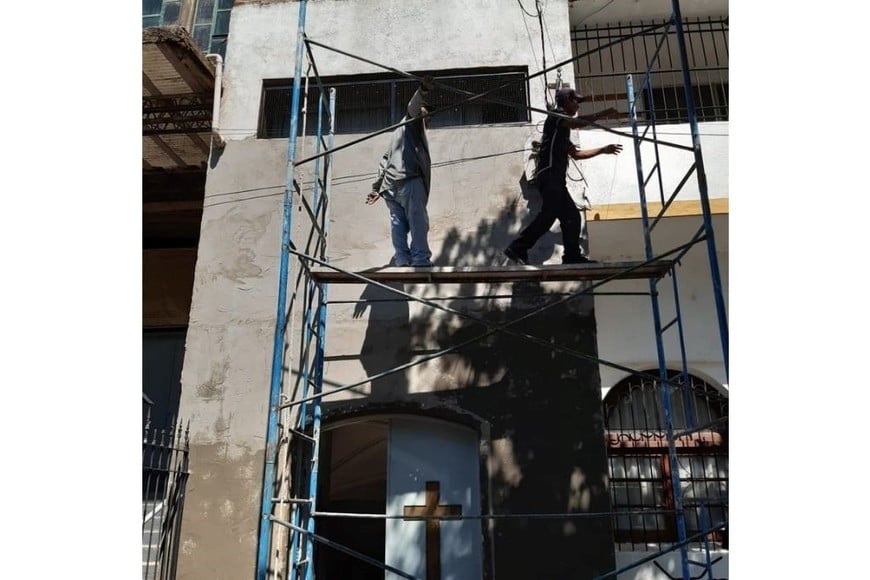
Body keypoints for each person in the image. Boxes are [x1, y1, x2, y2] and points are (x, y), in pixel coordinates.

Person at [504, 87, 623, 265]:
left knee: (572, 217)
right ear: (566, 101)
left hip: (557, 180)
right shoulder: (556, 116)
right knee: (549, 214)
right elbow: (576, 123)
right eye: (576, 101)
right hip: (550, 175)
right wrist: (603, 113)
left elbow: (576, 154)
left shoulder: (561, 129)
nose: (577, 105)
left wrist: (603, 150)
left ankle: (571, 256)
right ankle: (518, 247)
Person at [366, 75, 435, 267]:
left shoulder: (398, 133)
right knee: (418, 222)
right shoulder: (412, 121)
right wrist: (423, 90)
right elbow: (413, 107)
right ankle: (421, 259)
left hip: (390, 187)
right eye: (427, 114)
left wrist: (376, 188)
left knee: (398, 225)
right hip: (408, 180)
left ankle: (402, 259)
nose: (428, 119)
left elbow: (385, 160)